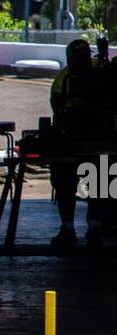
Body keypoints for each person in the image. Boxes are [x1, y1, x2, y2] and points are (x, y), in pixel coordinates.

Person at [48, 38, 107, 250]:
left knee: (100, 184)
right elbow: (58, 110)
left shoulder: (101, 73)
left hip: (96, 140)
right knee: (66, 184)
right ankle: (71, 228)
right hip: (73, 140)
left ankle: (93, 228)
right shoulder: (64, 80)